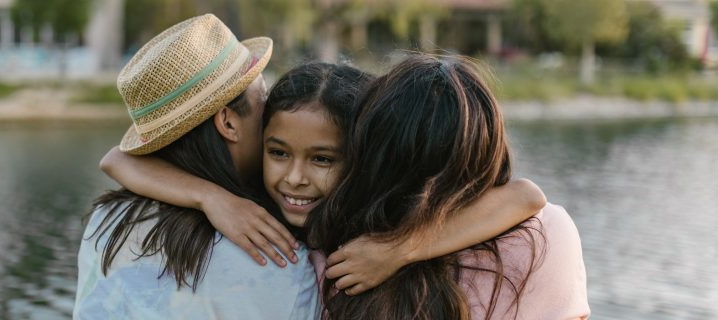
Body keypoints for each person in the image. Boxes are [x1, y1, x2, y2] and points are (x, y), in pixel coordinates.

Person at [102, 56, 549, 295]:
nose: (295, 178)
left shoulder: (378, 212)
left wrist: (399, 250)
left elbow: (526, 196)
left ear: (358, 155)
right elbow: (116, 159)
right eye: (278, 152)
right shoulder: (255, 196)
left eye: (322, 160)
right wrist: (211, 198)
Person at [308, 54, 589, 319]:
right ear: (488, 148)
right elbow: (528, 195)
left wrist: (397, 249)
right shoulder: (549, 234)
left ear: (373, 153)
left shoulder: (332, 254)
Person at [74, 14, 318, 319]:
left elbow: (114, 159)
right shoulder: (278, 260)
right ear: (228, 122)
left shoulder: (106, 222)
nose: (270, 113)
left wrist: (207, 195)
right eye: (263, 97)